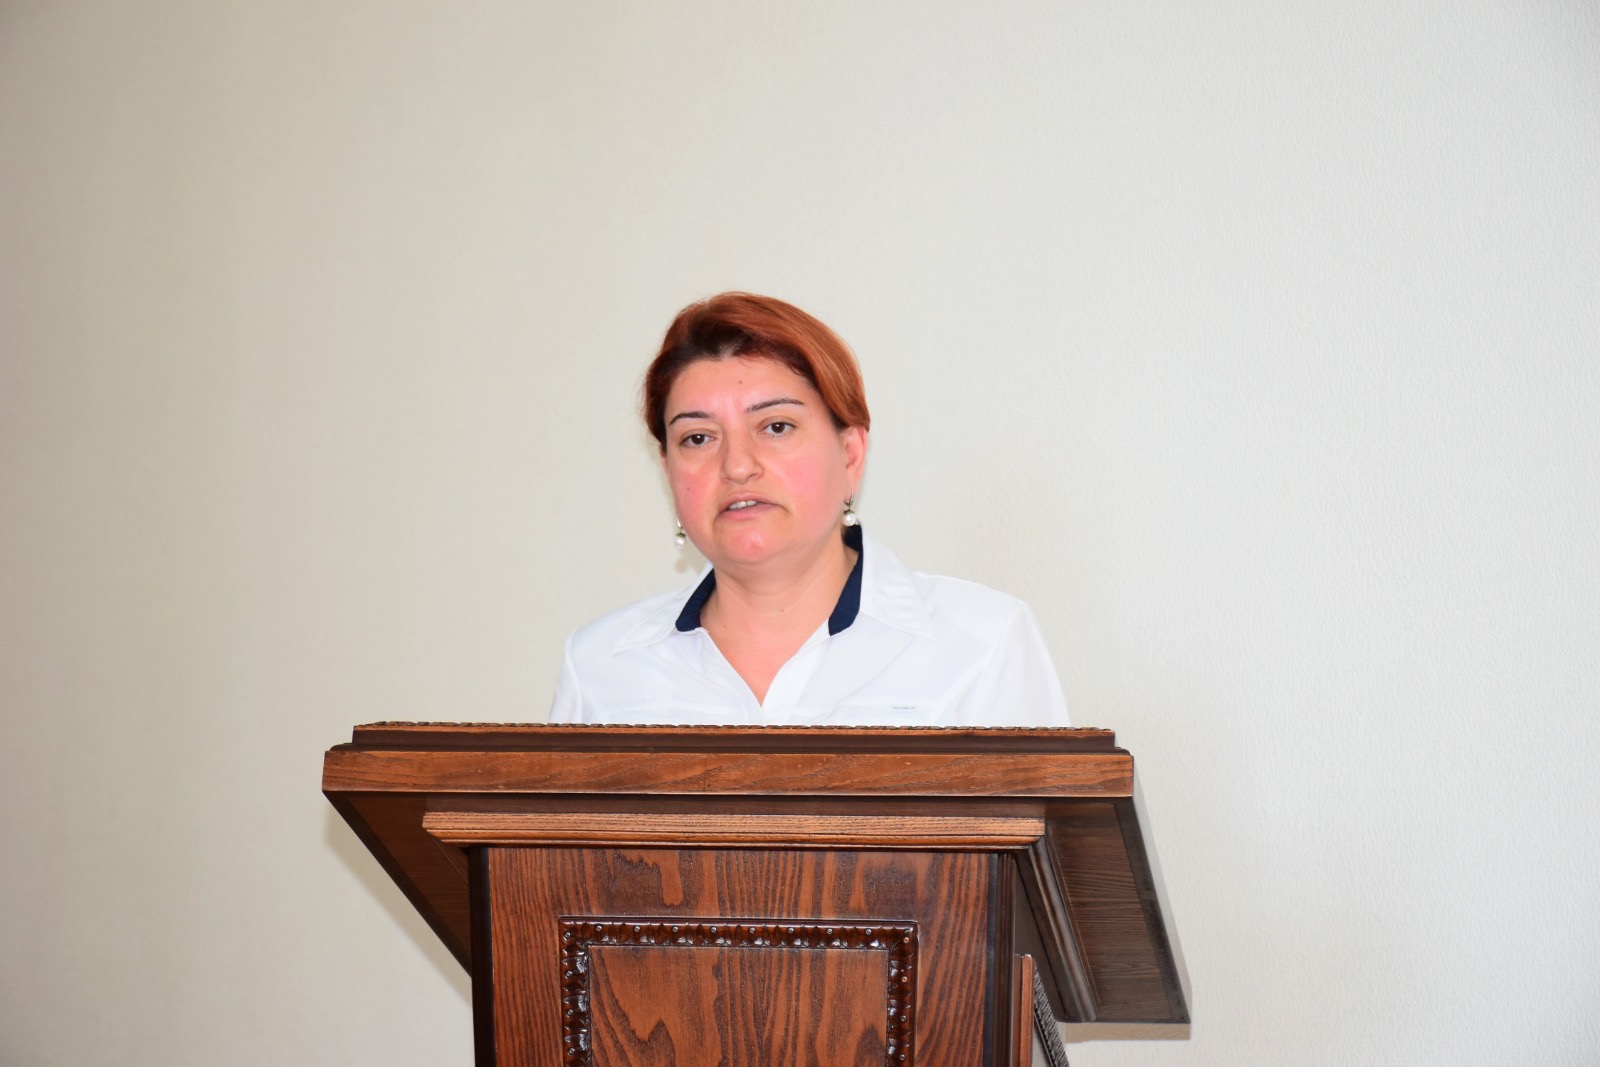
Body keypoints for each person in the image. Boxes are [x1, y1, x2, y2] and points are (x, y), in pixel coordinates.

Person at [549, 292, 1069, 728]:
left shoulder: (981, 644)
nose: (737, 466)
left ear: (850, 455)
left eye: (776, 427)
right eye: (698, 438)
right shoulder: (600, 667)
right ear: (668, 470)